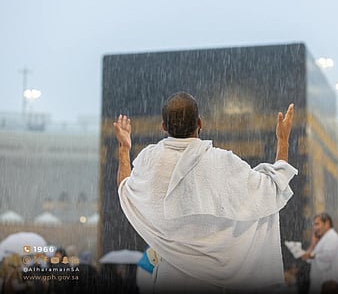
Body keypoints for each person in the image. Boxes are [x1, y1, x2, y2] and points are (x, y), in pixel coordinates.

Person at [114, 91, 298, 293]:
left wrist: (124, 148)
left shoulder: (150, 160)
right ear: (200, 123)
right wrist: (283, 140)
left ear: (163, 126)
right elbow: (272, 189)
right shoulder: (222, 162)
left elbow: (124, 188)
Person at [301, 213, 338, 294]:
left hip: (329, 283)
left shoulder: (332, 237)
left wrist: (311, 255)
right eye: (314, 225)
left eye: (317, 224)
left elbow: (327, 256)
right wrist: (313, 245)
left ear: (327, 223)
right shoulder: (324, 239)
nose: (315, 228)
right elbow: (307, 259)